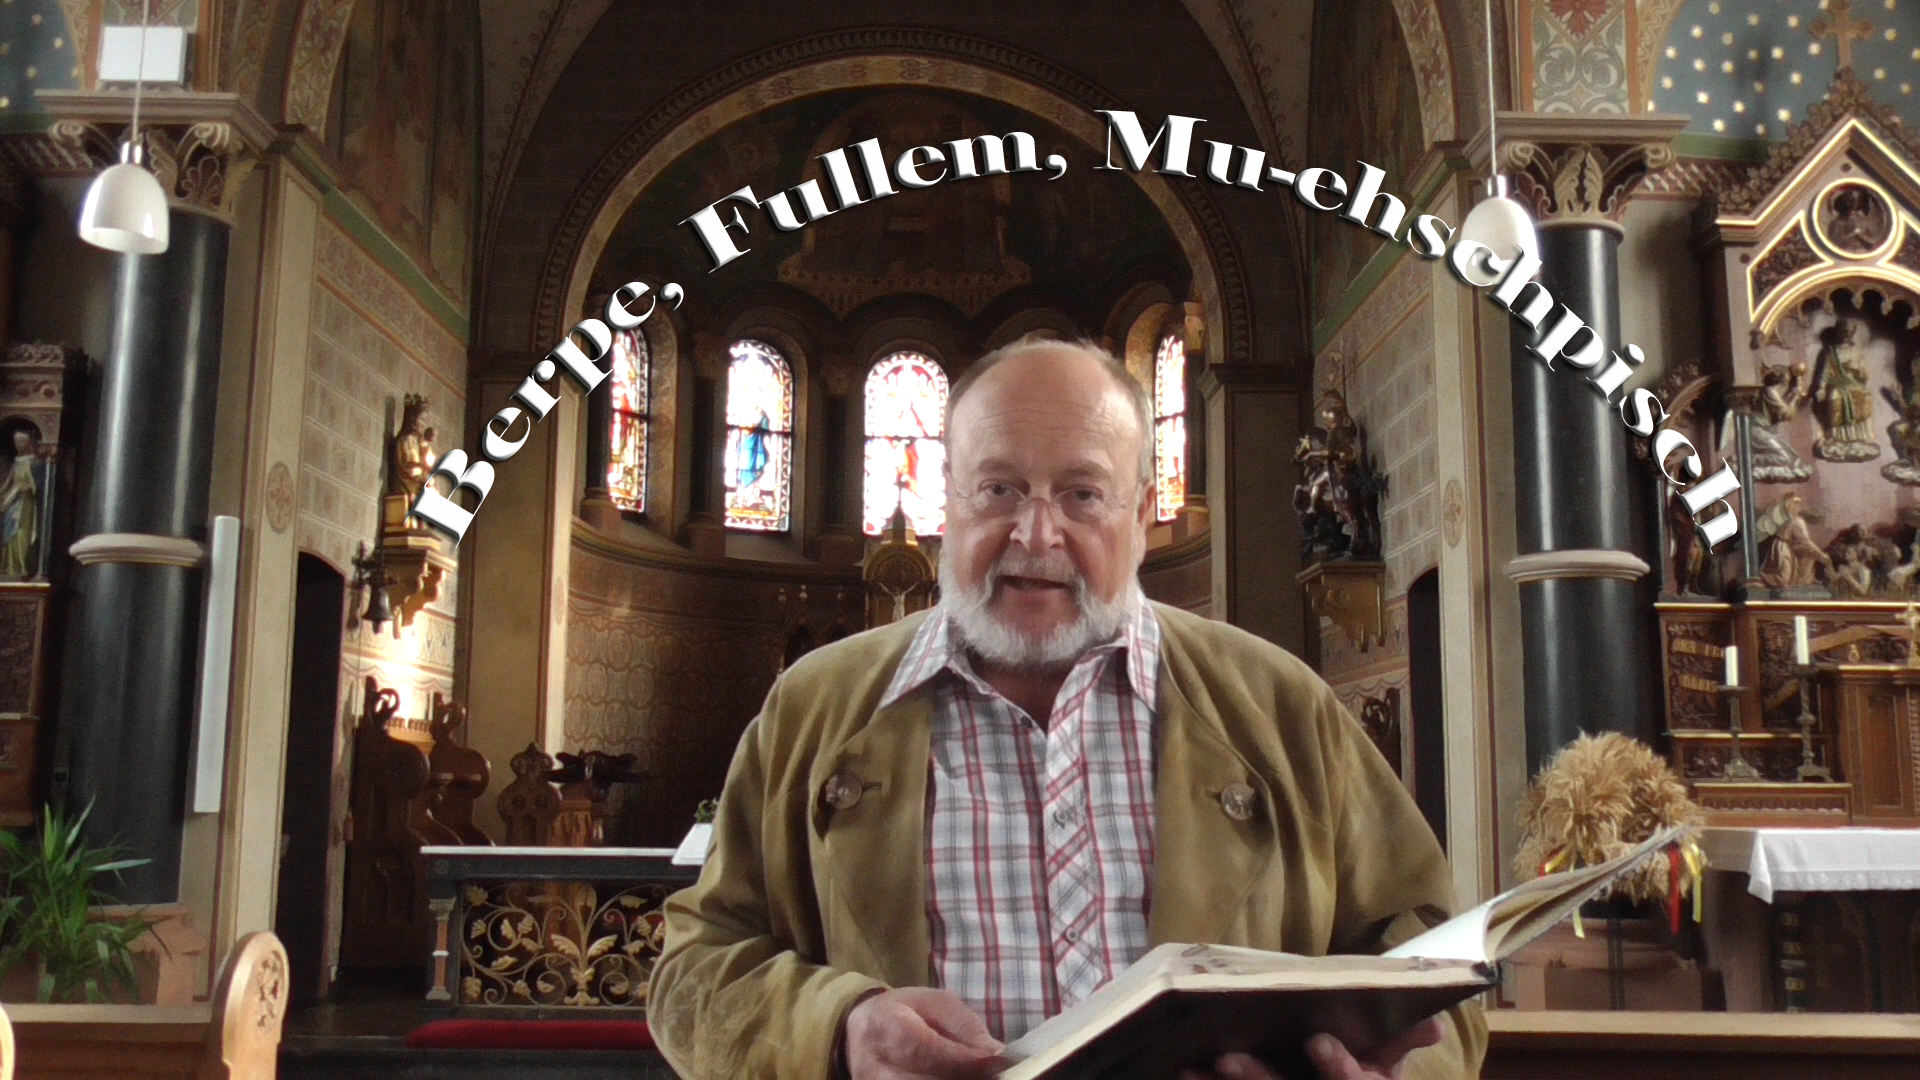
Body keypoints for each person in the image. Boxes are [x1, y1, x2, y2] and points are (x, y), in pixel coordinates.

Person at [649, 339, 1486, 1080]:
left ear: (1141, 511)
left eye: (1082, 494)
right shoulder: (813, 709)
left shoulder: (1280, 706)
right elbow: (694, 971)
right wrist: (838, 1031)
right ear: (947, 500)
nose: (1036, 534)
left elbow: (1433, 963)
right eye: (999, 489)